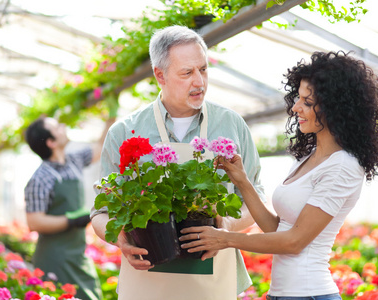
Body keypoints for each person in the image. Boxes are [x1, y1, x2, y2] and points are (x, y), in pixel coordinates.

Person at [180, 51, 378, 300]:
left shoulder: (343, 166)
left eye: (307, 102)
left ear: (336, 108)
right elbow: (277, 229)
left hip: (310, 294)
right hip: (280, 295)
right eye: (298, 98)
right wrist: (242, 182)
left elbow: (294, 242)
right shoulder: (309, 156)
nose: (296, 108)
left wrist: (224, 239)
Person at [90, 25, 266, 300]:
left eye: (203, 69)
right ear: (159, 75)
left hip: (213, 283)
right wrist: (120, 238)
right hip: (147, 284)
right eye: (187, 73)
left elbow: (257, 197)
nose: (200, 82)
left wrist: (227, 227)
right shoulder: (125, 131)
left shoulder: (231, 124)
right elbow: (100, 212)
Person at [24, 116, 115, 300]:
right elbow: (34, 221)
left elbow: (99, 149)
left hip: (77, 252)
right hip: (55, 257)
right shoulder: (41, 178)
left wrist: (110, 119)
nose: (63, 127)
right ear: (51, 142)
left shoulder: (73, 161)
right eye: (57, 127)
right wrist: (71, 220)